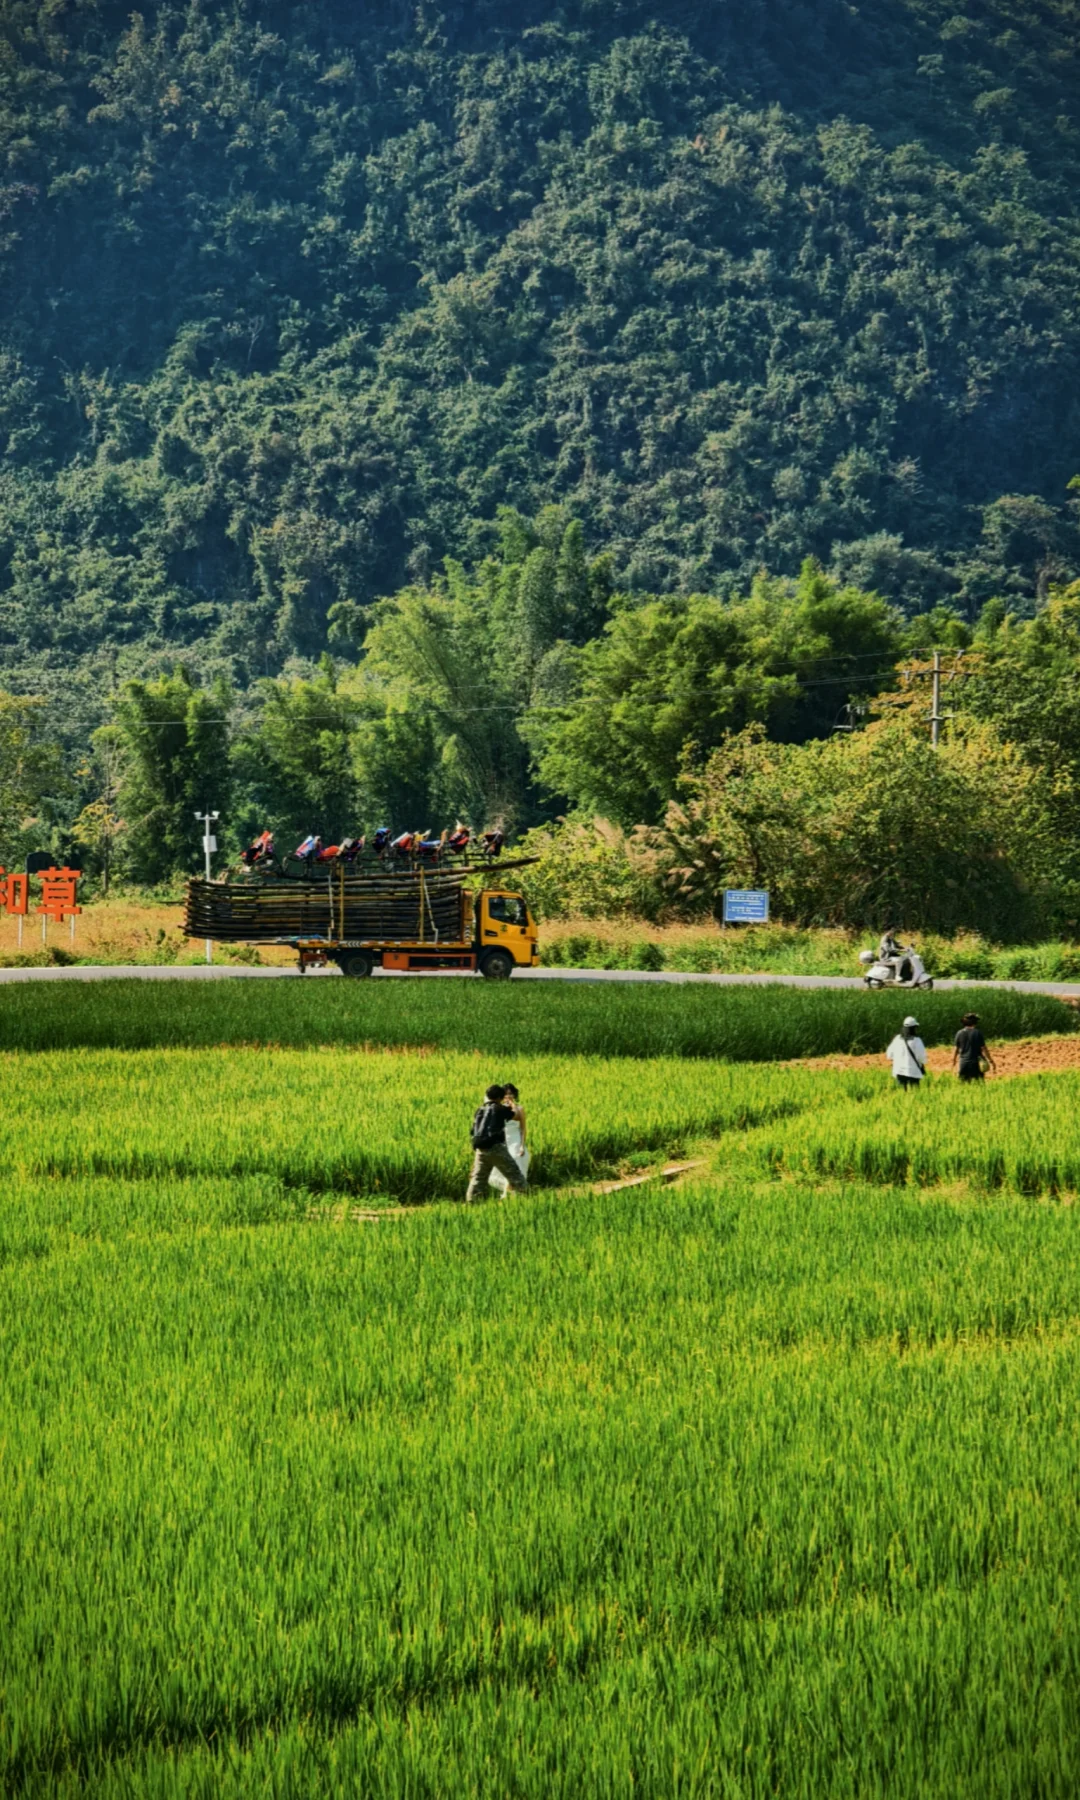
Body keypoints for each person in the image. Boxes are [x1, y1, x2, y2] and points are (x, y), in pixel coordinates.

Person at [466, 1084, 528, 1201]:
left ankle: (471, 1202)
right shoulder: (500, 1109)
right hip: (495, 1147)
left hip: (480, 1147)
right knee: (514, 1174)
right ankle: (526, 1197)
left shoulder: (479, 1110)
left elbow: (472, 1130)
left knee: (478, 1178)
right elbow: (515, 1114)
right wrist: (512, 1104)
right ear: (500, 1097)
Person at [489, 1082, 529, 1194]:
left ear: (514, 1095)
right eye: (505, 1094)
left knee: (515, 1165)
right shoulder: (499, 1109)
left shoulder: (520, 1109)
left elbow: (523, 1129)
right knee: (497, 1171)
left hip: (515, 1141)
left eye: (510, 1093)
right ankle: (509, 1190)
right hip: (503, 1141)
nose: (508, 1096)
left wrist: (522, 1146)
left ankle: (511, 1193)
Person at [952, 1012, 996, 1082]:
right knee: (979, 1084)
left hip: (963, 1063)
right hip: (976, 1064)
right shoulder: (978, 1033)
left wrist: (953, 1060)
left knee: (963, 1085)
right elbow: (984, 1048)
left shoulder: (959, 1033)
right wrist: (991, 1061)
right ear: (975, 1022)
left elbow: (956, 1049)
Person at [885, 1015, 927, 1089]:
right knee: (915, 1094)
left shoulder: (897, 1039)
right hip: (913, 1072)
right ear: (913, 1028)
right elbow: (922, 1057)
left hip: (899, 1071)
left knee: (902, 1094)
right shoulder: (917, 1040)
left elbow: (889, 1055)